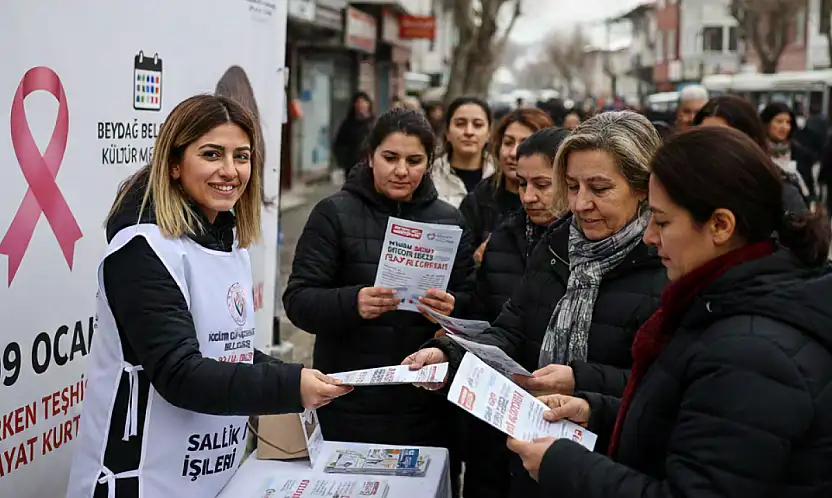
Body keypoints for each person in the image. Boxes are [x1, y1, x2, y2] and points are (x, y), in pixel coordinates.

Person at [510, 126, 832, 498]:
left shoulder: (753, 351)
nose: (649, 236)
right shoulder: (721, 303)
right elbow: (693, 424)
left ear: (720, 225)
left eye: (662, 221)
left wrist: (564, 466)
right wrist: (594, 411)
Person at [66, 95, 352, 498]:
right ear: (175, 164)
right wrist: (290, 386)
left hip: (209, 478)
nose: (230, 171)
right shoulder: (143, 250)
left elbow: (225, 352)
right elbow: (180, 373)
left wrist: (301, 376)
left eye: (242, 156)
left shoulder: (228, 242)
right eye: (212, 154)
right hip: (142, 481)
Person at [406, 111, 668, 498]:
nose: (580, 204)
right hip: (532, 458)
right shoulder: (557, 245)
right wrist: (448, 355)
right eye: (573, 186)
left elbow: (664, 392)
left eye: (599, 188)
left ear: (643, 188)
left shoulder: (667, 265)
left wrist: (580, 379)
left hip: (615, 471)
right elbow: (511, 329)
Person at [282, 108, 476, 496]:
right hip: (350, 400)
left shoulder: (449, 221)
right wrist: (352, 302)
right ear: (370, 156)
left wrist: (453, 307)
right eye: (391, 158)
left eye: (414, 160)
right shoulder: (334, 213)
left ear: (430, 163)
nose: (401, 170)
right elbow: (298, 300)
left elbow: (476, 305)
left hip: (426, 404)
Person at [457, 127, 570, 498]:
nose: (529, 197)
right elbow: (495, 317)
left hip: (557, 413)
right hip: (497, 407)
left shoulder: (586, 248)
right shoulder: (504, 238)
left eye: (542, 184)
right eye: (521, 184)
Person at [460, 108, 554, 266]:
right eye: (508, 142)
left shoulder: (558, 205)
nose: (513, 153)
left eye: (525, 144)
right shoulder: (476, 202)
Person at [694, 95, 808, 213]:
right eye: (703, 136)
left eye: (724, 137)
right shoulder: (684, 186)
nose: (712, 145)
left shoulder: (778, 192)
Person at [431, 97, 496, 207]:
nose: (469, 132)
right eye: (460, 124)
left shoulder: (500, 178)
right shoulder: (429, 176)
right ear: (447, 131)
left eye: (478, 125)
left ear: (489, 133)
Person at [761, 102, 815, 202]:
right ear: (766, 123)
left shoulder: (800, 154)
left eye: (788, 122)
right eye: (779, 121)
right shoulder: (756, 151)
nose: (784, 127)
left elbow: (809, 190)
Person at [333, 92, 374, 181]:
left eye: (363, 102)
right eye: (358, 103)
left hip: (371, 168)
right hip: (352, 167)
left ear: (368, 104)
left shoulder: (374, 124)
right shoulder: (348, 124)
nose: (361, 105)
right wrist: (345, 161)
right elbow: (339, 145)